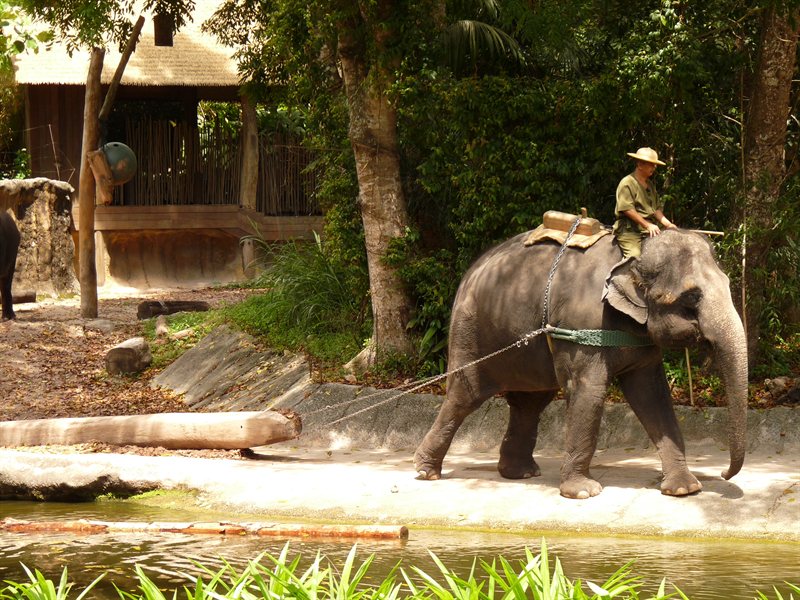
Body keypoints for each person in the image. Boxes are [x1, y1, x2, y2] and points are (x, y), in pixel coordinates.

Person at [612, 147, 677, 258]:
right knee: (635, 258)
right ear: (640, 165)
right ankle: (623, 275)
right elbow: (627, 209)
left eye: (654, 165)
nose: (654, 167)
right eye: (651, 164)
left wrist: (668, 225)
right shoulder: (627, 183)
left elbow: (655, 210)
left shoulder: (650, 185)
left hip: (649, 230)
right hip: (630, 231)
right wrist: (647, 225)